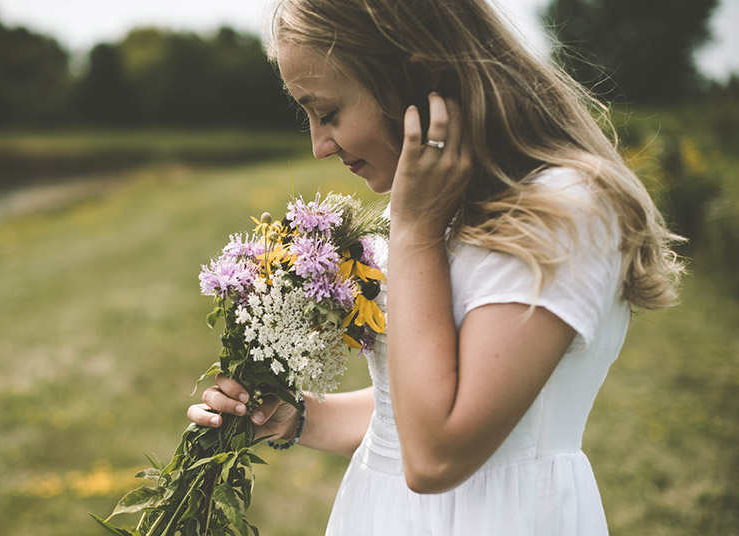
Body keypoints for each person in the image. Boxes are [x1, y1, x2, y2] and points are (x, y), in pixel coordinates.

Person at [187, 0, 684, 534]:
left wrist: (414, 231)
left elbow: (436, 454)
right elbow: (404, 416)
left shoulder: (562, 212)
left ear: (416, 75)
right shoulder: (445, 201)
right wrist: (300, 417)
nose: (319, 146)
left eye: (328, 112)